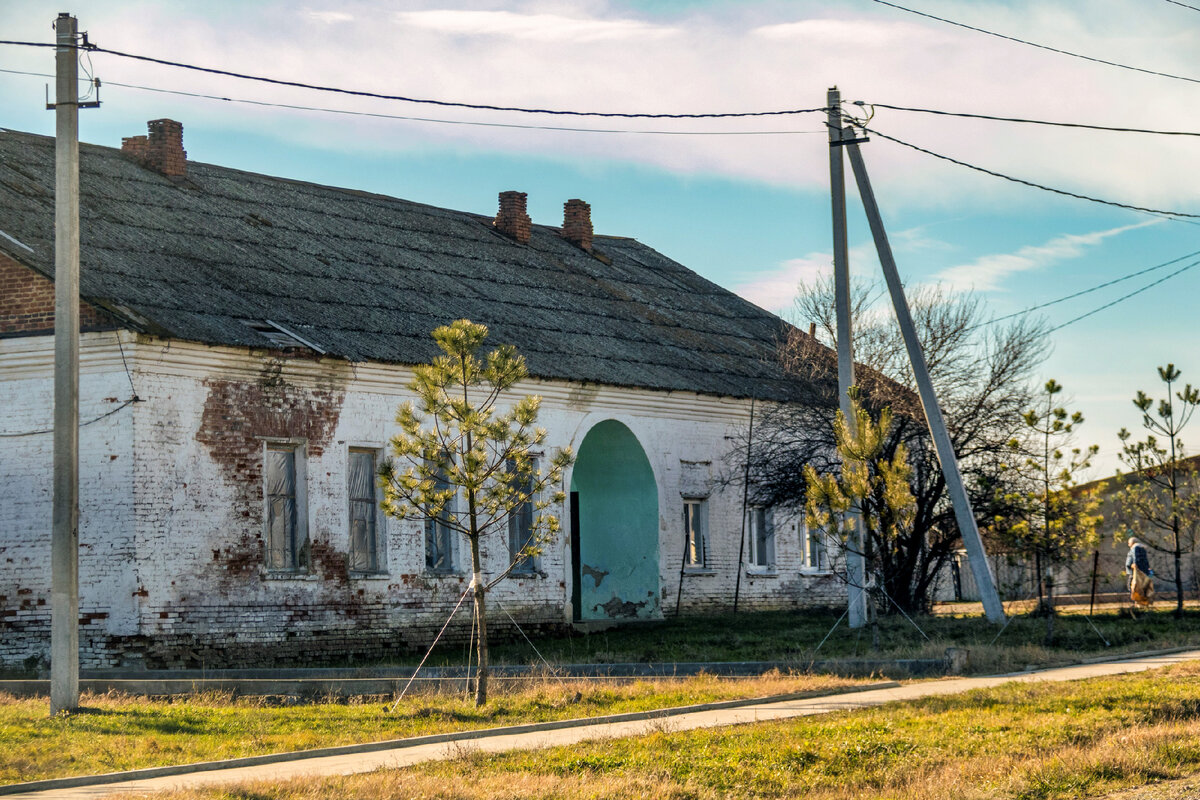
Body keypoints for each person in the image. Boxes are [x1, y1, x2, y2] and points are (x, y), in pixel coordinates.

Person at [1125, 536, 1155, 607]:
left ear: (1132, 542)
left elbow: (1136, 558)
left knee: (1133, 587)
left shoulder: (1135, 548)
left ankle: (1137, 603)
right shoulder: (1141, 548)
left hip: (1136, 572)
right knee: (1140, 587)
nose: (1128, 545)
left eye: (1129, 543)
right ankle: (1140, 603)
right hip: (1141, 572)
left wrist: (1135, 566)